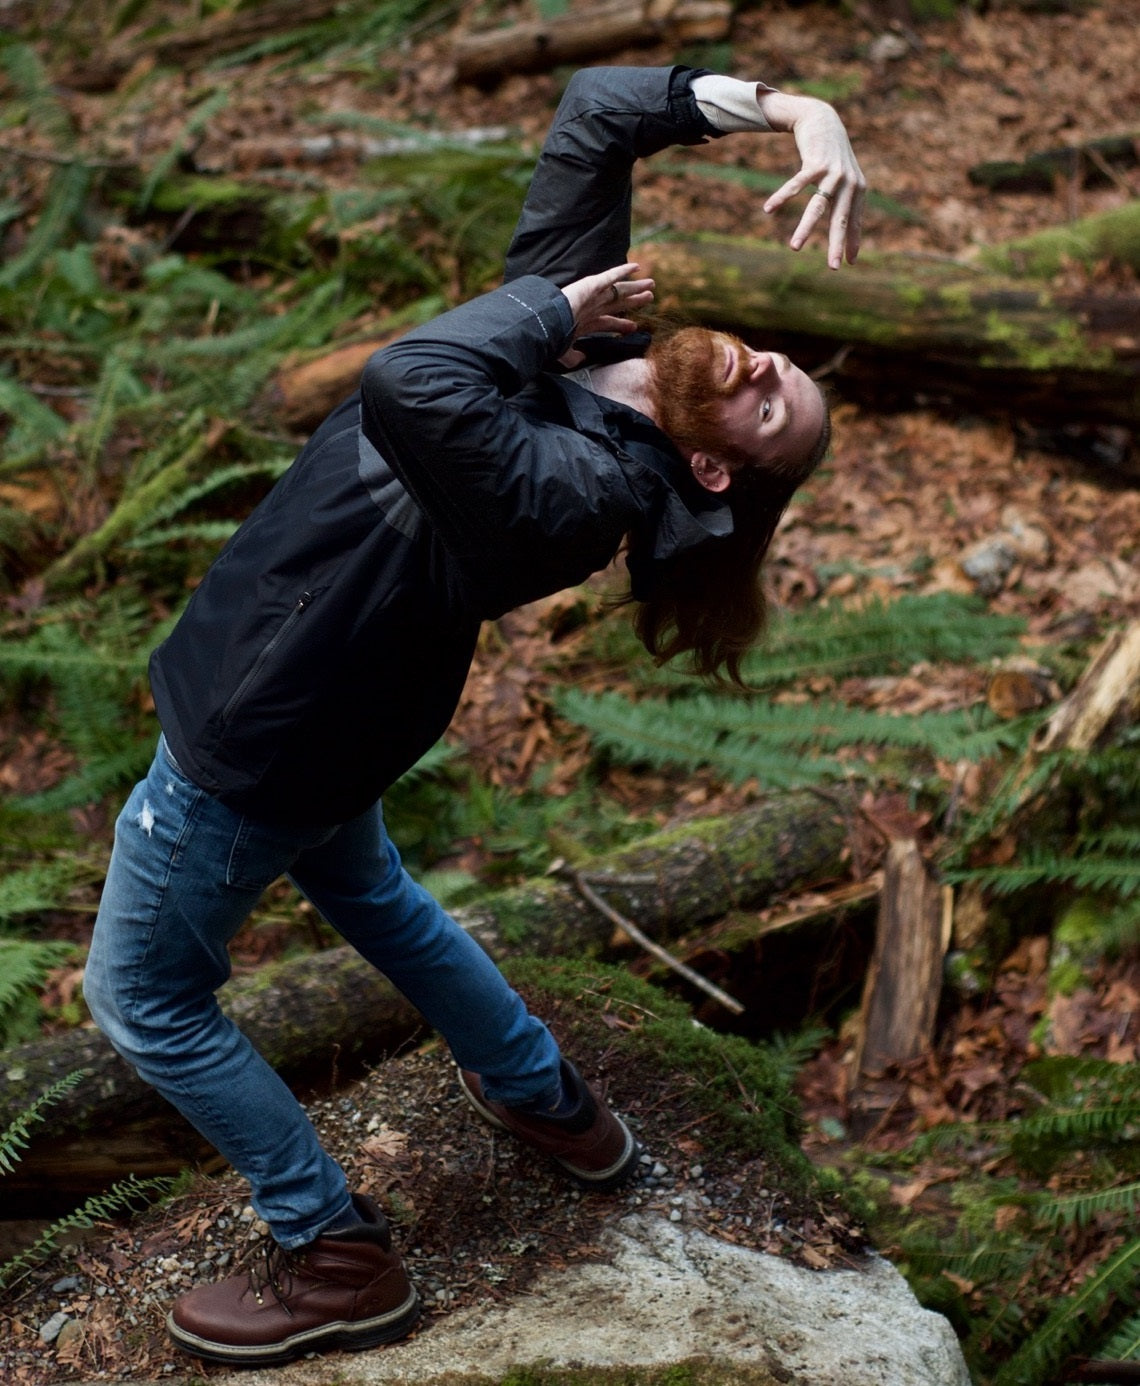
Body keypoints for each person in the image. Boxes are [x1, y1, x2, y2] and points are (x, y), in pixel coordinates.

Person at [82, 64, 864, 1367]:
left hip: (263, 725)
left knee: (143, 997)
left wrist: (544, 305)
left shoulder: (586, 488)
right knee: (372, 887)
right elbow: (595, 115)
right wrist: (796, 110)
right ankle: (548, 1098)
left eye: (772, 400)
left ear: (716, 464)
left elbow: (413, 382)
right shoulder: (609, 352)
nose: (768, 361)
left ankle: (334, 1250)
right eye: (782, 365)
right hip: (337, 700)